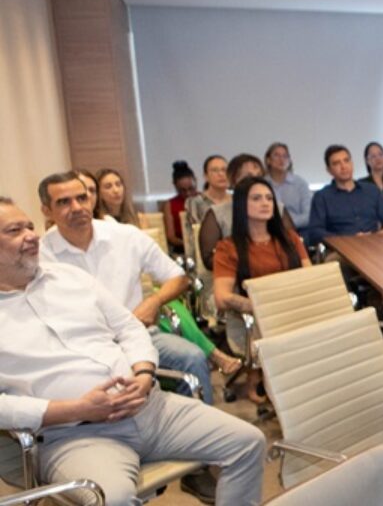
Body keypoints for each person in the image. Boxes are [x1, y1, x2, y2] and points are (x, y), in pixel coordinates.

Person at [0, 196, 266, 506]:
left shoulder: (71, 278)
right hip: (75, 436)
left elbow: (129, 328)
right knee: (110, 500)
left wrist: (143, 372)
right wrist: (75, 409)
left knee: (248, 443)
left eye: (30, 226)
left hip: (150, 407)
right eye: (14, 230)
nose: (32, 235)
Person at [38, 173, 239, 403]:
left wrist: (152, 302)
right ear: (46, 210)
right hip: (83, 348)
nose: (77, 207)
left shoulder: (125, 236)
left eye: (82, 198)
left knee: (192, 357)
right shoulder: (40, 255)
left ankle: (197, 433)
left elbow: (178, 277)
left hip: (138, 333)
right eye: (64, 202)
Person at [213, 177, 311, 405]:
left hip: (297, 308)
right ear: (240, 205)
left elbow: (310, 278)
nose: (266, 203)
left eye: (269, 198)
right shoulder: (228, 247)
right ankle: (260, 378)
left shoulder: (290, 239)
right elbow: (221, 297)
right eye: (256, 198)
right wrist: (260, 306)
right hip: (260, 315)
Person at [309, 144, 383, 243]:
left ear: (352, 163)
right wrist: (347, 239)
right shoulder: (322, 197)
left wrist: (376, 237)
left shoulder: (372, 191)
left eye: (346, 161)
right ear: (329, 170)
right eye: (336, 163)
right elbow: (315, 232)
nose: (343, 167)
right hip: (341, 248)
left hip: (374, 244)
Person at [199, 154, 270, 270]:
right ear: (233, 180)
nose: (256, 182)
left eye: (259, 177)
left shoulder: (274, 208)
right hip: (234, 277)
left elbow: (291, 247)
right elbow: (209, 259)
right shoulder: (217, 214)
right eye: (248, 176)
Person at [265, 141, 312, 234]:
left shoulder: (300, 183)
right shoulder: (262, 184)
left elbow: (308, 215)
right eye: (276, 155)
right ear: (268, 160)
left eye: (285, 156)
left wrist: (288, 223)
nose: (281, 159)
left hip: (298, 230)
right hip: (269, 230)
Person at [186, 154, 229, 226]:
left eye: (224, 170)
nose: (221, 174)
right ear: (206, 176)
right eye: (215, 170)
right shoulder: (195, 202)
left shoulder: (237, 200)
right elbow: (193, 231)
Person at [164, 160, 197, 252]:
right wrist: (188, 244)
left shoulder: (203, 199)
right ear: (175, 186)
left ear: (195, 181)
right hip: (181, 247)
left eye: (191, 188)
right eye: (182, 190)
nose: (188, 193)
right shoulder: (170, 204)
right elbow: (171, 237)